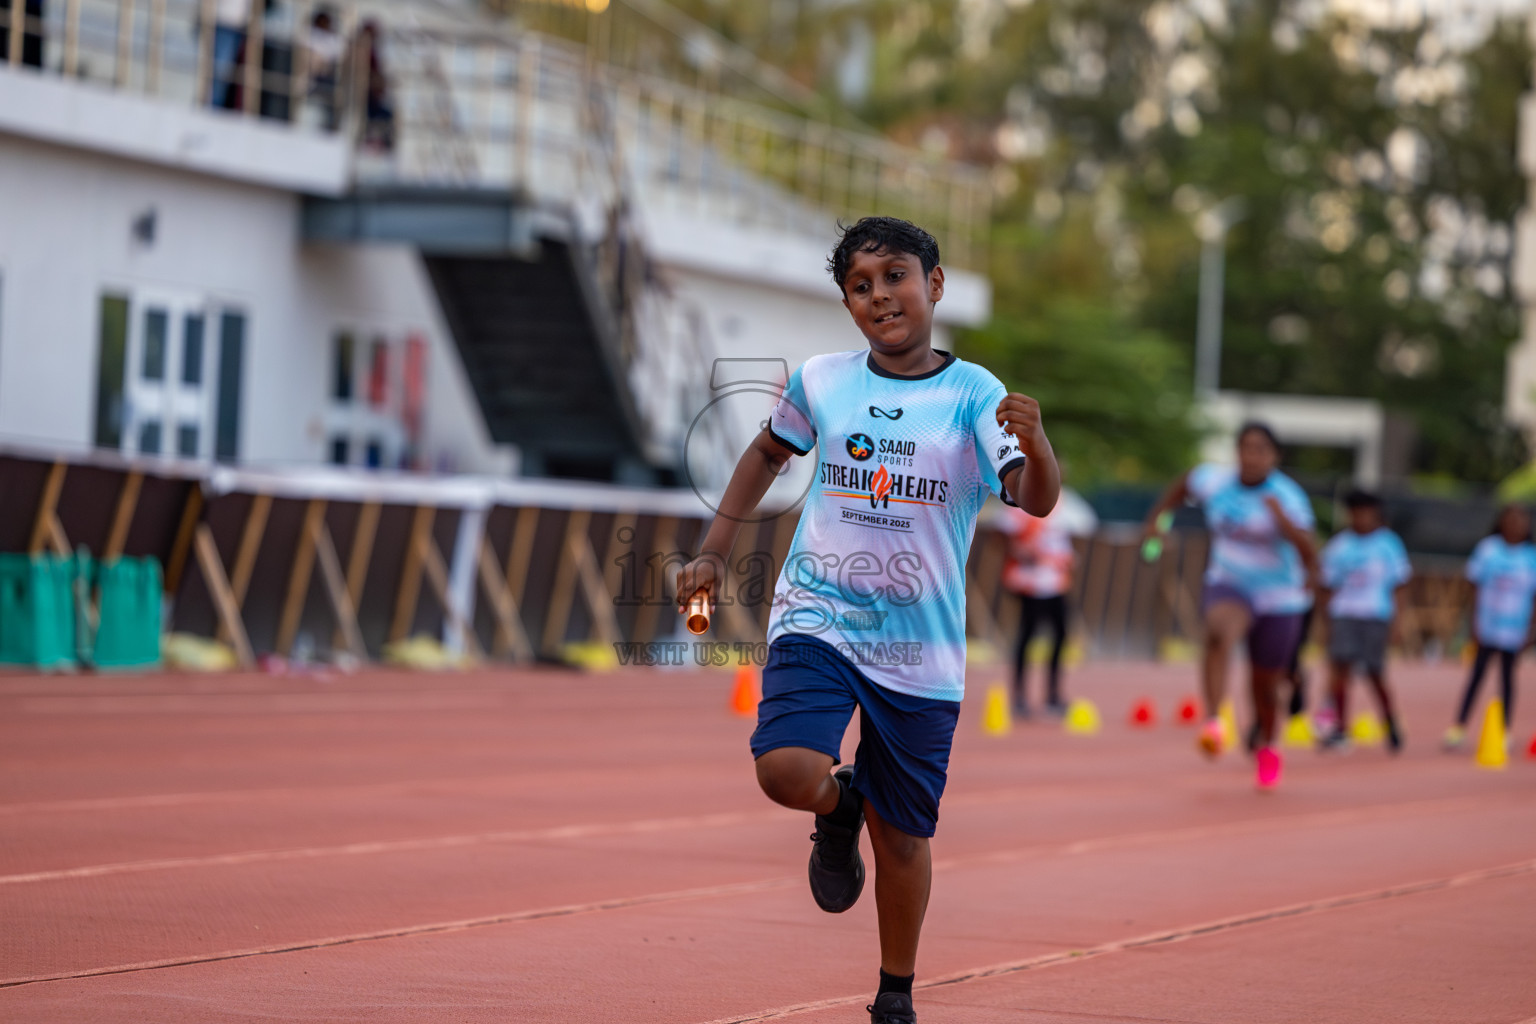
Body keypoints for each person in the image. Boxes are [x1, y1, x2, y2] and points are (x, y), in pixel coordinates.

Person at [674, 217, 1060, 1024]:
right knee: (783, 769)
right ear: (848, 303)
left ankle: (894, 992)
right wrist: (714, 548)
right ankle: (836, 804)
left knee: (905, 838)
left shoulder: (975, 395)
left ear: (935, 285)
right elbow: (767, 454)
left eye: (896, 277)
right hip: (819, 611)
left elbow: (1033, 498)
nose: (880, 296)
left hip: (920, 647)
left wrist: (1040, 444)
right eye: (860, 285)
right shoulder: (823, 379)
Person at [1142, 423, 1318, 789]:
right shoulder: (1215, 481)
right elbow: (1181, 487)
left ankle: (1269, 746)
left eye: (1261, 450)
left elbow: (1309, 550)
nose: (1251, 456)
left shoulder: (1288, 496)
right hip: (1229, 582)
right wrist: (1157, 523)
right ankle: (1214, 721)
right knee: (1219, 633)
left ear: (1274, 456)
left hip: (1279, 597)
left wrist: (1281, 519)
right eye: (1245, 447)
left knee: (1266, 687)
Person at [1318, 490, 1412, 752]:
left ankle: (1389, 720)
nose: (1361, 518)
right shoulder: (1339, 546)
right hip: (1345, 614)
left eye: (1366, 512)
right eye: (1356, 512)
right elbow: (1327, 586)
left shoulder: (1388, 544)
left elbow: (1400, 586)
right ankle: (1339, 728)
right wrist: (1326, 623)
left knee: (1374, 673)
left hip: (1375, 614)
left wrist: (1397, 622)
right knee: (1340, 672)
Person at [1443, 504, 1536, 749]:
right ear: (1501, 522)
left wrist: (1531, 631)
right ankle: (1459, 726)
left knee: (1507, 679)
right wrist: (1473, 623)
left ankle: (1504, 730)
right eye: (1511, 519)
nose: (1516, 524)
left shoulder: (1530, 556)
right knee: (1476, 676)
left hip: (1514, 629)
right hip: (1487, 626)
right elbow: (1473, 587)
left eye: (1521, 520)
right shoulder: (1488, 550)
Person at [1000, 503, 1074, 717]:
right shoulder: (1019, 505)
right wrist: (1019, 550)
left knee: (1061, 636)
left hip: (1056, 582)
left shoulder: (1061, 504)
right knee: (1027, 636)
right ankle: (1019, 696)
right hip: (1029, 583)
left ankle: (1053, 694)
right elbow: (1002, 535)